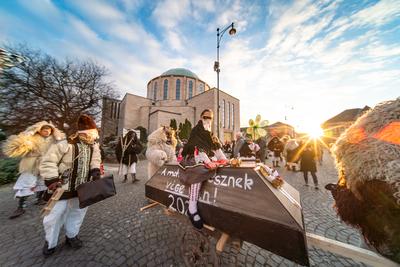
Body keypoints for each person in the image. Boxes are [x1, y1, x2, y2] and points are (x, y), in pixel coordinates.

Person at [39, 114, 101, 256]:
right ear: (83, 132)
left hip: (82, 188)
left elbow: (96, 159)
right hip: (62, 188)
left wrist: (95, 170)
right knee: (54, 216)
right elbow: (48, 162)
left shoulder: (94, 146)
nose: (93, 136)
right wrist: (52, 179)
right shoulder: (65, 144)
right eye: (91, 133)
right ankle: (50, 242)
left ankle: (71, 236)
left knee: (78, 213)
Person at [3, 121, 65, 219]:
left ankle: (39, 199)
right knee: (27, 184)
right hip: (32, 165)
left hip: (47, 165)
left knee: (45, 182)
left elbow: (61, 150)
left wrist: (59, 141)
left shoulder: (53, 139)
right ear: (39, 130)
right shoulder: (32, 138)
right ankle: (21, 206)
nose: (47, 132)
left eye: (49, 130)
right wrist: (26, 138)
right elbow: (18, 147)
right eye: (44, 130)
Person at [181, 109, 227, 229]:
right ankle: (192, 208)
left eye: (210, 118)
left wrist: (225, 160)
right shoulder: (197, 130)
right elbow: (197, 148)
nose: (208, 119)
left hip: (205, 158)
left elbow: (217, 149)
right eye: (206, 117)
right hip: (192, 157)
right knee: (200, 171)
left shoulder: (211, 134)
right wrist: (207, 161)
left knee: (216, 167)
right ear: (201, 117)